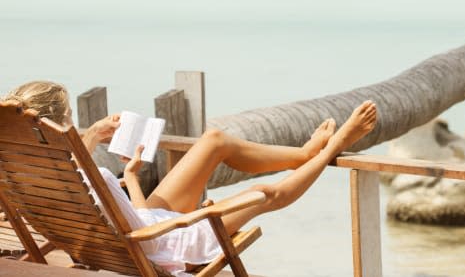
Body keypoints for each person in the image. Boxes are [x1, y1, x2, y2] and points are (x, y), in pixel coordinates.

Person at [2, 81, 377, 275]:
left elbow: (122, 213)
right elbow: (141, 236)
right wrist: (198, 215)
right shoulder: (91, 177)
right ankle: (333, 147)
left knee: (213, 141)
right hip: (165, 242)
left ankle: (305, 154)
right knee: (264, 194)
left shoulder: (23, 173)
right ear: (63, 121)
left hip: (140, 230)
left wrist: (130, 178)